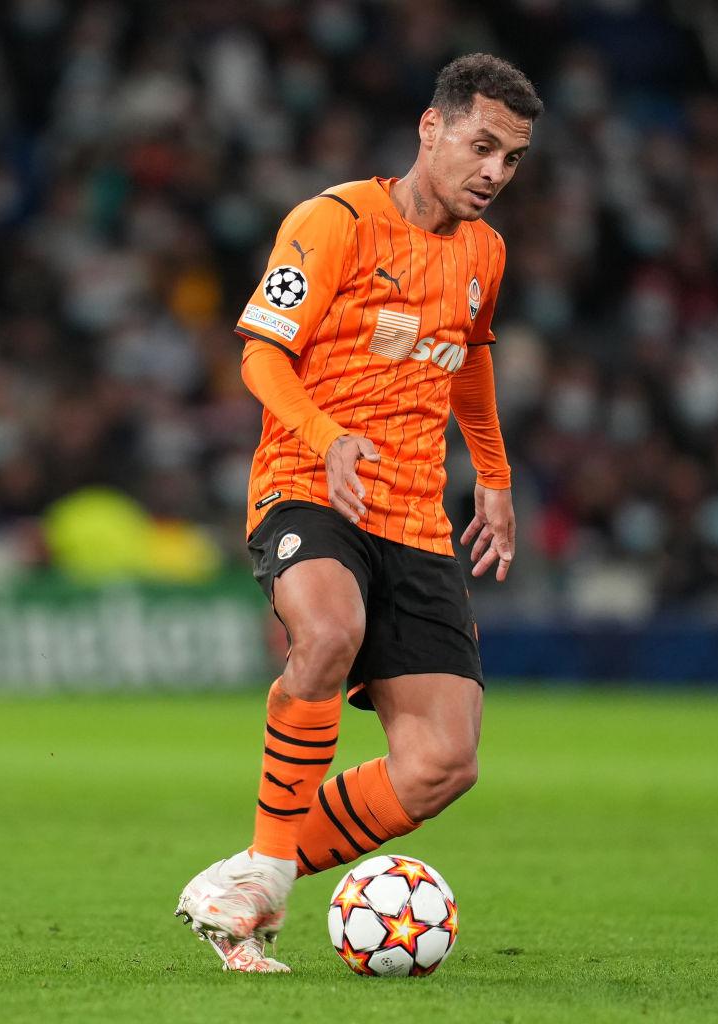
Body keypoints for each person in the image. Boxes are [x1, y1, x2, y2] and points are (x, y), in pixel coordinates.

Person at [176, 52, 543, 973]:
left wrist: (494, 474)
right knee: (330, 631)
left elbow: (470, 356)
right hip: (309, 482)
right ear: (431, 127)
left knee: (443, 764)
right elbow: (260, 354)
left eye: (512, 158)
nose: (495, 172)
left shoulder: (486, 252)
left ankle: (250, 875)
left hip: (415, 515)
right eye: (482, 146)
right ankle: (265, 876)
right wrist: (327, 434)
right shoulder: (333, 221)